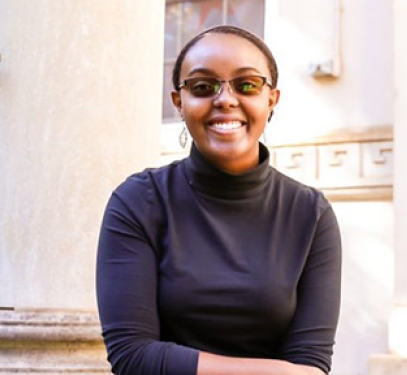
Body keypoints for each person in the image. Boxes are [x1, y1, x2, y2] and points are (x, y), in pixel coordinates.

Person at [96, 25, 342, 375]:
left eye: (247, 85)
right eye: (202, 87)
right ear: (179, 102)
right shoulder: (138, 202)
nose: (225, 99)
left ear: (271, 99)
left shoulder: (310, 214)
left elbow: (311, 362)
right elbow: (133, 357)